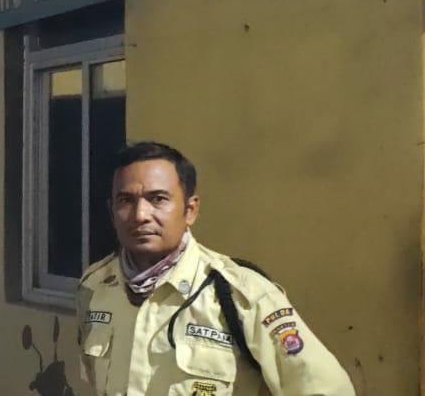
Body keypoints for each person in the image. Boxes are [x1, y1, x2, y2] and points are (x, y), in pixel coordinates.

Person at [77, 142, 354, 395]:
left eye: (158, 199)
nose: (140, 215)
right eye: (125, 200)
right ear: (112, 213)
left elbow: (328, 390)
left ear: (190, 210)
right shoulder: (95, 287)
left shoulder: (242, 295)